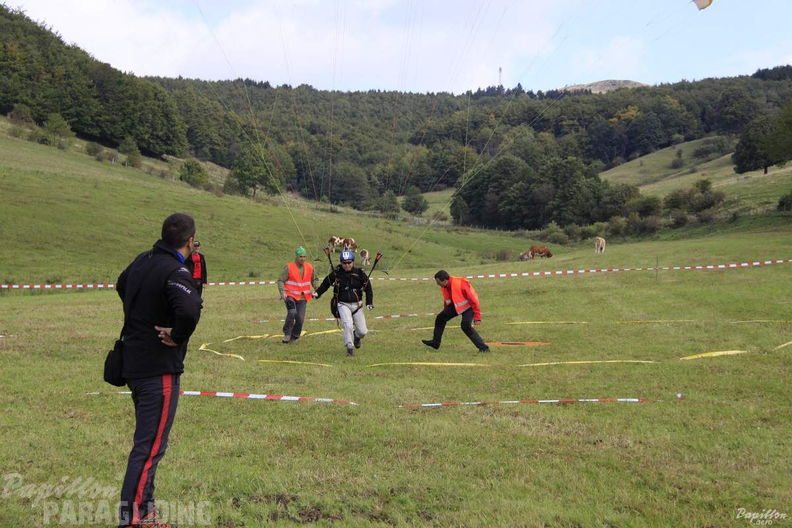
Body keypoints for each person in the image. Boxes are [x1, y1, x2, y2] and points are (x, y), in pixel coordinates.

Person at [115, 213, 203, 527]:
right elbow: (190, 310)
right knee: (150, 447)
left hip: (134, 363)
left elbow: (121, 284)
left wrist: (144, 311)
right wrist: (176, 335)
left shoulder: (142, 260)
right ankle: (134, 519)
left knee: (149, 444)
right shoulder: (175, 270)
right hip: (158, 369)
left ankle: (146, 513)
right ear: (190, 241)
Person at [314, 249, 373, 356]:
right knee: (347, 324)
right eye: (344, 263)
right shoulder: (336, 273)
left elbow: (368, 288)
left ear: (353, 262)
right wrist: (318, 293)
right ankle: (349, 347)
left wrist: (369, 302)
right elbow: (326, 284)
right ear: (341, 263)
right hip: (342, 304)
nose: (347, 265)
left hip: (357, 305)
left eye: (349, 262)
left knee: (363, 331)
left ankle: (356, 336)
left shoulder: (360, 273)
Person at [422, 270, 490, 353]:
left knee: (465, 326)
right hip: (457, 305)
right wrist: (445, 311)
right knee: (440, 318)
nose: (437, 284)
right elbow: (448, 299)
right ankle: (435, 343)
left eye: (438, 282)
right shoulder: (445, 286)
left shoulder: (460, 283)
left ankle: (484, 348)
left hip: (469, 306)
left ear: (445, 280)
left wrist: (477, 317)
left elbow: (474, 300)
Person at [276, 246, 318, 343]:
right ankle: (287, 333)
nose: (302, 258)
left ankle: (294, 336)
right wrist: (282, 292)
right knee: (292, 312)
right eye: (300, 256)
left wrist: (316, 287)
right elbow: (280, 280)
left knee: (300, 318)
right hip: (290, 295)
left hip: (303, 297)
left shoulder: (309, 267)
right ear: (296, 257)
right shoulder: (289, 267)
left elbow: (314, 279)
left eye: (304, 256)